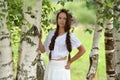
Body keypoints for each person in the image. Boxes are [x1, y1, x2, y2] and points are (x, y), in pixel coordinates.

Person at [39, 8, 86, 80]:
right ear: (57, 19)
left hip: (62, 68)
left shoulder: (70, 36)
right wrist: (39, 39)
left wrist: (70, 61)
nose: (61, 20)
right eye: (60, 18)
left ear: (67, 21)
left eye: (64, 18)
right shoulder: (51, 33)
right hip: (51, 66)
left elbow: (82, 50)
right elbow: (42, 50)